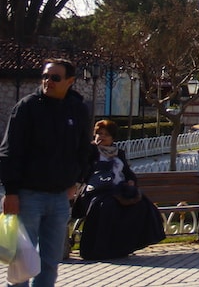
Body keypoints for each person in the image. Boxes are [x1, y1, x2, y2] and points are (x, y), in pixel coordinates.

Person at [0, 58, 91, 287]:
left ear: (70, 81)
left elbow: (83, 149)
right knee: (22, 261)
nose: (48, 81)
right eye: (45, 76)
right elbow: (9, 151)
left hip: (60, 197)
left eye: (55, 77)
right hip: (27, 196)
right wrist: (10, 191)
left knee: (50, 261)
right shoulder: (27, 107)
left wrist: (76, 180)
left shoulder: (77, 109)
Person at [71, 120, 165, 260]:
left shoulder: (118, 153)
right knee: (107, 206)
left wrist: (131, 181)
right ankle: (99, 249)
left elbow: (127, 172)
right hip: (96, 192)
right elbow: (82, 173)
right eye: (98, 133)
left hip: (118, 189)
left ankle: (125, 246)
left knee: (142, 204)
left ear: (113, 138)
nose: (101, 137)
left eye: (106, 134)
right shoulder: (90, 151)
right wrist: (91, 153)